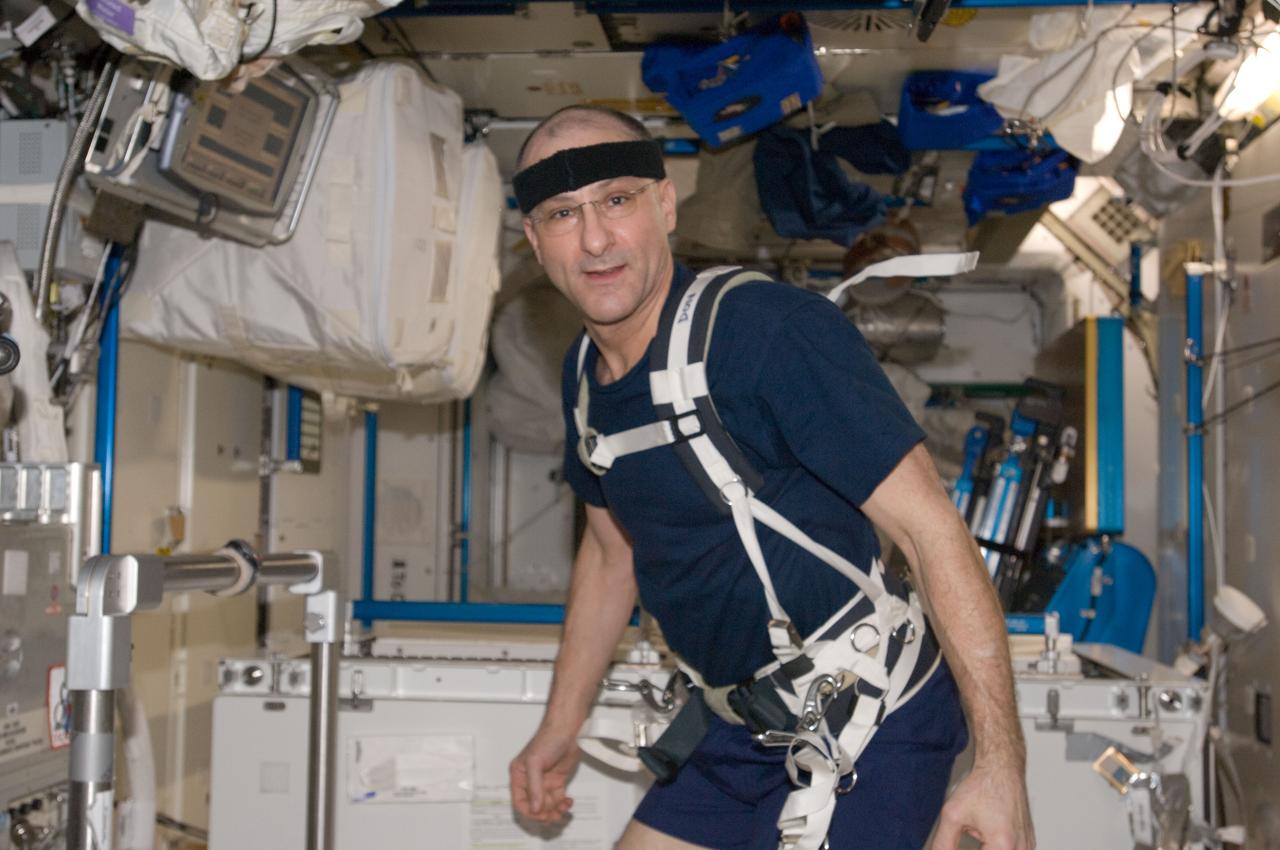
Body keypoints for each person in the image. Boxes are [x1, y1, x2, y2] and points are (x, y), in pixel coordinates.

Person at [507, 104, 1034, 850]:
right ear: (535, 241)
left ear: (664, 204)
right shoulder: (585, 380)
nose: (594, 240)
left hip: (868, 714)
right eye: (564, 214)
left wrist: (1001, 766)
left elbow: (930, 532)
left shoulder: (766, 332)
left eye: (618, 201)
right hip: (735, 726)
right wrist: (558, 730)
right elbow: (607, 551)